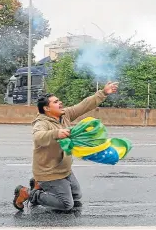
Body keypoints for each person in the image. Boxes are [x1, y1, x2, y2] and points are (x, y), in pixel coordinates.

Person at [13, 81, 119, 211]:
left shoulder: (65, 115)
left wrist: (103, 93)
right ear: (46, 108)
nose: (60, 103)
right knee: (66, 204)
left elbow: (84, 105)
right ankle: (28, 193)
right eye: (56, 102)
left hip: (64, 169)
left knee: (76, 197)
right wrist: (56, 133)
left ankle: (39, 185)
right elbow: (38, 136)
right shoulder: (41, 122)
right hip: (48, 172)